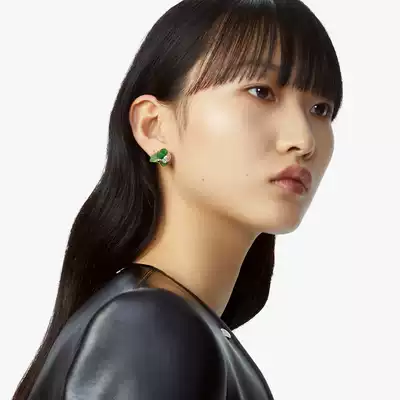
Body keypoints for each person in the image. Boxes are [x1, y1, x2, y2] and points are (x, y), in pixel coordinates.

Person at [12, 0, 343, 398]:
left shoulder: (166, 321)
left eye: (321, 109)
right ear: (153, 127)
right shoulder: (149, 327)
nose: (303, 140)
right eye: (261, 91)